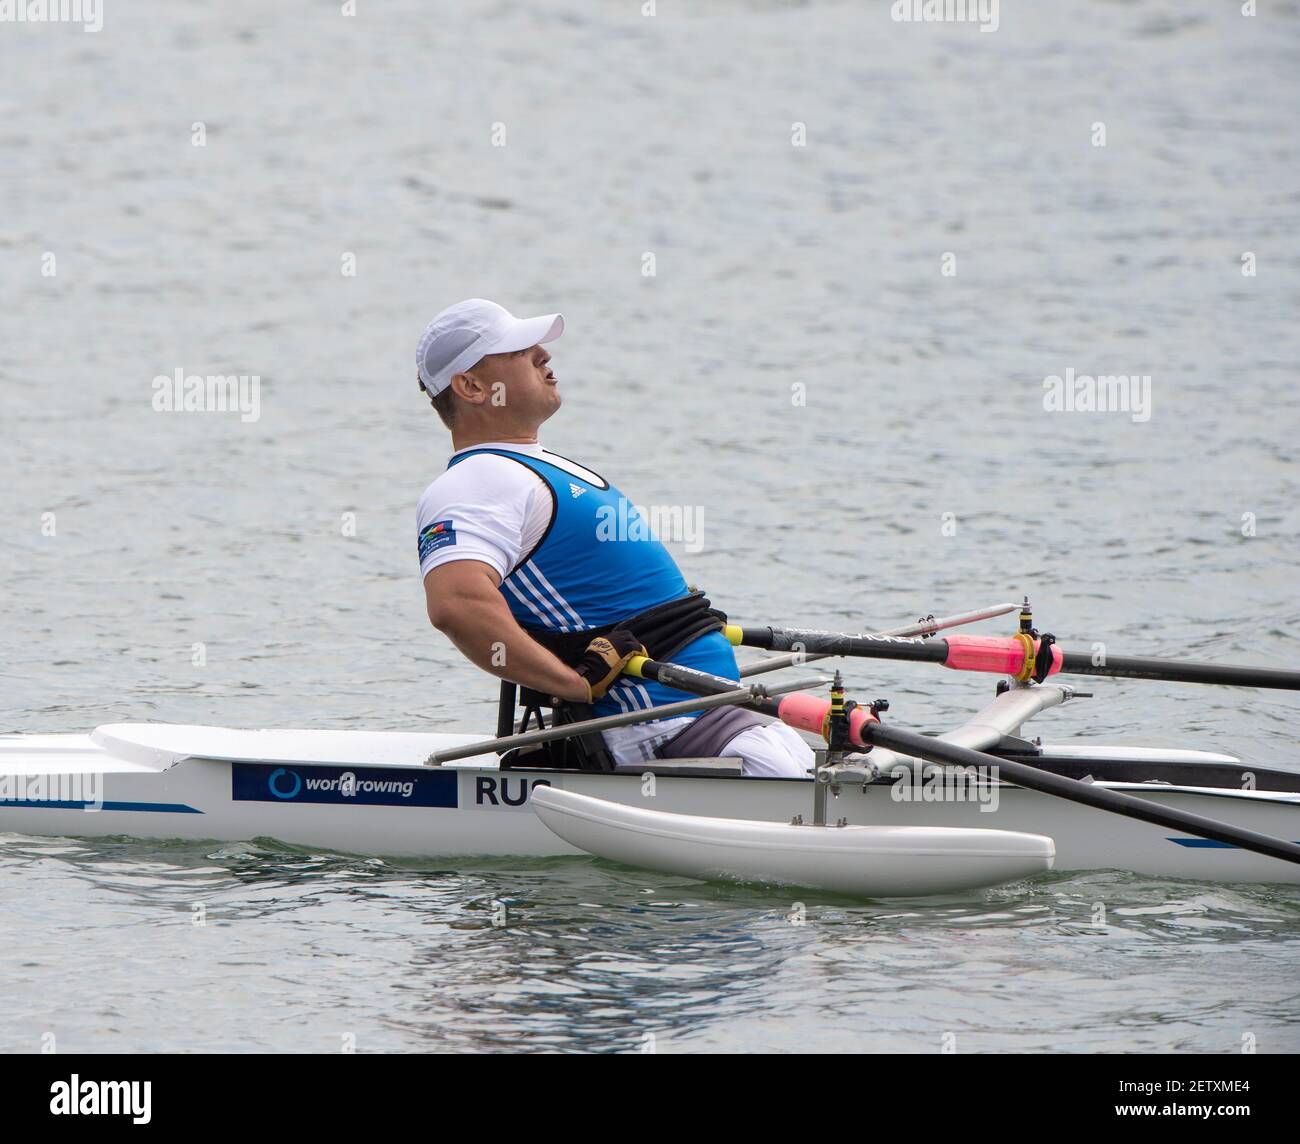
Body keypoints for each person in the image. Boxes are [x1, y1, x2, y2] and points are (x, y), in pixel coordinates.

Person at [414, 298, 812, 778]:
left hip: (700, 716)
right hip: (657, 731)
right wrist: (572, 684)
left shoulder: (536, 467)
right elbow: (457, 605)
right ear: (472, 387)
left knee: (837, 736)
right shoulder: (478, 480)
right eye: (520, 350)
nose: (543, 355)